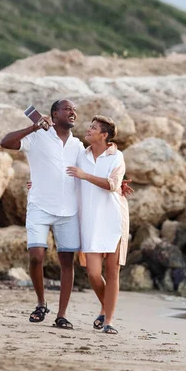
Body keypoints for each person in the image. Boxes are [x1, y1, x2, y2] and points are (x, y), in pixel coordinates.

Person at [0, 100, 134, 328]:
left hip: (80, 213)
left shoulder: (78, 148)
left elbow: (100, 170)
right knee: (41, 258)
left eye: (75, 110)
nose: (73, 113)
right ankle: (43, 303)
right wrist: (34, 128)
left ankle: (76, 315)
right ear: (54, 114)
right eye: (67, 109)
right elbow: (6, 142)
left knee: (75, 265)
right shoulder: (50, 141)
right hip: (48, 209)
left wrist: (118, 184)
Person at [66, 115, 129, 335]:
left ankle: (108, 320)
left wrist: (86, 176)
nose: (88, 130)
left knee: (112, 273)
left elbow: (113, 185)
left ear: (104, 135)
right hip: (90, 221)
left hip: (113, 219)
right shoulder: (81, 156)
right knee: (93, 273)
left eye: (93, 128)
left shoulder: (117, 156)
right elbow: (66, 177)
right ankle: (105, 308)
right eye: (90, 126)